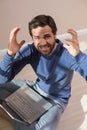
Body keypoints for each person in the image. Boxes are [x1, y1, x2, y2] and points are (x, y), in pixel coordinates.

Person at [0, 14, 87, 130]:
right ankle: (26, 117)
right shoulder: (31, 50)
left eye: (46, 36)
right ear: (32, 38)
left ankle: (10, 115)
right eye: (37, 37)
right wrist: (10, 54)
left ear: (55, 34)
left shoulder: (67, 53)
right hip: (34, 88)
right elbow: (3, 79)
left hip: (56, 101)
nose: (42, 43)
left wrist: (79, 56)